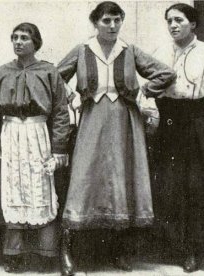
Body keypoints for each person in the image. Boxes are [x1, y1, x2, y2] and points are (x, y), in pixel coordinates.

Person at [57, 1, 176, 274]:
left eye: (116, 20)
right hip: (91, 121)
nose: (112, 26)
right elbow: (53, 77)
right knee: (85, 180)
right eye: (106, 21)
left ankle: (118, 251)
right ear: (95, 23)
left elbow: (166, 73)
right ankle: (70, 252)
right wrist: (72, 96)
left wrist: (144, 89)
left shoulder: (130, 50)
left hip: (125, 121)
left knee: (121, 181)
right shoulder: (82, 50)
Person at [0, 22, 72, 273]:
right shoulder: (3, 72)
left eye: (24, 37)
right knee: (13, 189)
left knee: (40, 188)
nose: (18, 42)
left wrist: (59, 148)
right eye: (14, 37)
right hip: (10, 134)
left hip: (38, 134)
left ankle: (46, 253)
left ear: (36, 42)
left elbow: (59, 111)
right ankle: (14, 254)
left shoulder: (48, 71)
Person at [151, 3, 204, 273]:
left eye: (179, 20)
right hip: (168, 121)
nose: (173, 25)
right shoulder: (161, 52)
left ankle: (195, 250)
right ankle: (176, 247)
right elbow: (148, 88)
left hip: (196, 120)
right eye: (169, 20)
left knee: (195, 186)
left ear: (192, 24)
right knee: (169, 186)